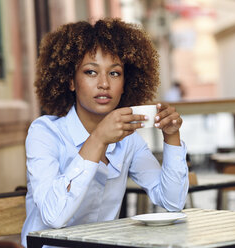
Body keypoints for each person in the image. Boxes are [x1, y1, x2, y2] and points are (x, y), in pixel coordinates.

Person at [21, 18, 189, 247]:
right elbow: (54, 216)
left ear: (125, 83)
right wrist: (98, 138)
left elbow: (172, 202)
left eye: (114, 73)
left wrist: (171, 137)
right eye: (91, 72)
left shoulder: (128, 140)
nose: (104, 84)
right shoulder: (45, 133)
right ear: (71, 81)